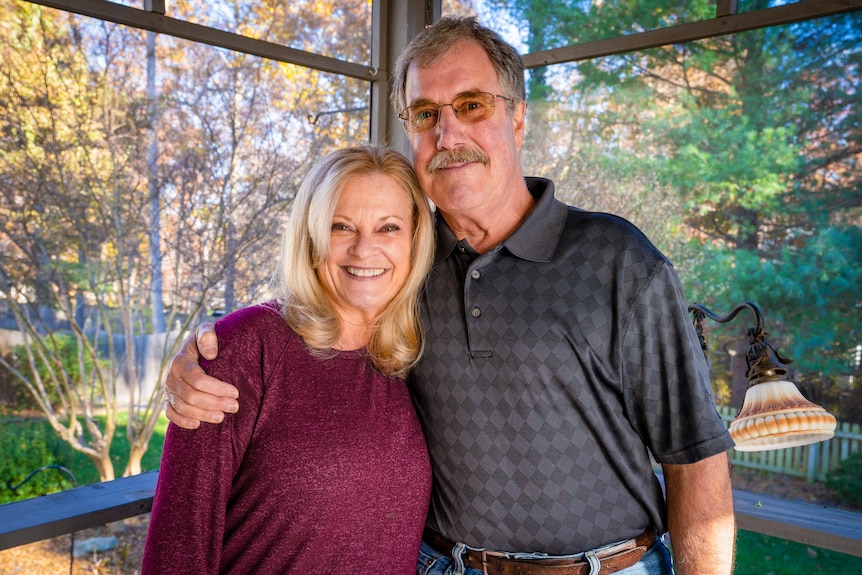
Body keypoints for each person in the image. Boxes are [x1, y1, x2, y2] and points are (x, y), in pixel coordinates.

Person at [164, 17, 736, 575]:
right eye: (425, 114)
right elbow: (319, 312)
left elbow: (695, 456)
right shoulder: (406, 266)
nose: (448, 134)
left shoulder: (618, 260)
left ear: (516, 117)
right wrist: (206, 354)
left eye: (471, 105)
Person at [142, 145, 436, 574]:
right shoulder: (244, 348)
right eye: (341, 227)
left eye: (388, 227)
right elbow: (178, 543)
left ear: (415, 238)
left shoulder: (410, 352)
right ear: (312, 236)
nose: (364, 249)